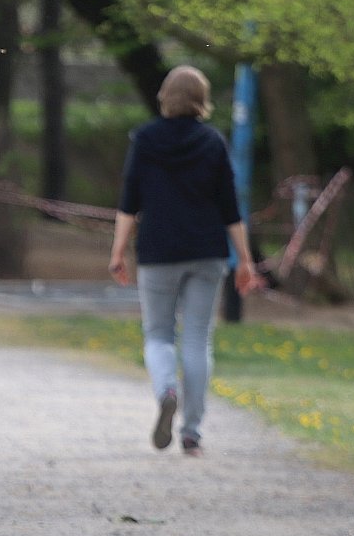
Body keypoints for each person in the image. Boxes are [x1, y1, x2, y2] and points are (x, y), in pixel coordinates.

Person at [109, 65, 265, 457]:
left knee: (159, 334)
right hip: (207, 252)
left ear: (165, 97)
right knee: (197, 338)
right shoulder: (213, 142)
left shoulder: (144, 140)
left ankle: (166, 391)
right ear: (201, 101)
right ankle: (192, 432)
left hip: (158, 252)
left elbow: (130, 202)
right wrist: (245, 259)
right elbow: (231, 208)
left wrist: (118, 251)